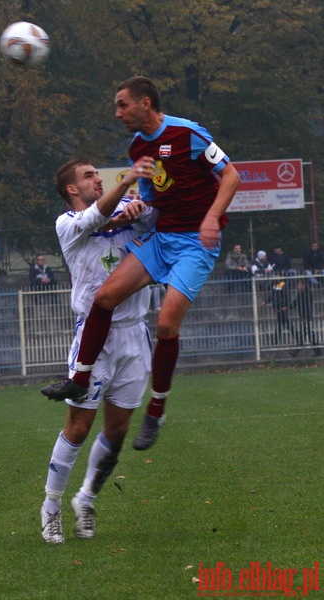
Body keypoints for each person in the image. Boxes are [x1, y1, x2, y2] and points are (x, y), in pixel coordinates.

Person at [41, 75, 240, 451]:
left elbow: (231, 175)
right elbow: (152, 200)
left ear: (145, 103)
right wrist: (136, 210)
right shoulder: (138, 148)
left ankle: (156, 411)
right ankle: (80, 380)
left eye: (122, 105)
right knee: (104, 297)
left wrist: (213, 217)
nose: (118, 113)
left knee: (166, 325)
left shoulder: (187, 133)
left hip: (195, 243)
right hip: (161, 237)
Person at [40, 157, 157, 543]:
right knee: (78, 427)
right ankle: (51, 508)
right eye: (88, 176)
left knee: (119, 428)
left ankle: (86, 499)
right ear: (73, 189)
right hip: (95, 338)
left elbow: (158, 224)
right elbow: (96, 218)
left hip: (134, 334)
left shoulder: (124, 209)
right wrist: (125, 186)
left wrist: (143, 212)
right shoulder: (67, 224)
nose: (96, 180)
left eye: (96, 174)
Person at [289, 279, 321, 357]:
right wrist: (288, 307)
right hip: (305, 317)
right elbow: (296, 302)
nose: (298, 287)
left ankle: (296, 352)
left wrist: (304, 317)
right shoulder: (301, 293)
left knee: (305, 335)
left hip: (306, 317)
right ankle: (317, 351)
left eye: (299, 285)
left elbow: (307, 307)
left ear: (304, 285)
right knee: (308, 334)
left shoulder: (306, 293)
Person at [263, 276, 297, 348]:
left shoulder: (283, 284)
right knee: (283, 323)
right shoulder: (276, 285)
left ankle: (275, 339)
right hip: (278, 307)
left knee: (282, 323)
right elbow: (273, 295)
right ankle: (296, 336)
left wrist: (285, 305)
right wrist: (266, 301)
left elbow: (285, 296)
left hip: (282, 307)